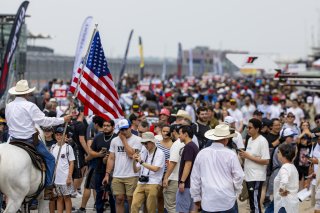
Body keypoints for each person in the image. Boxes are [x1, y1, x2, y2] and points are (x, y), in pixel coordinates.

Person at [5, 80, 72, 199]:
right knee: (50, 159)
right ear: (27, 94)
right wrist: (62, 120)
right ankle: (48, 188)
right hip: (29, 140)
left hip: (12, 140)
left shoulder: (8, 106)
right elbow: (44, 121)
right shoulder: (30, 106)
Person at [191, 124, 244, 212]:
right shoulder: (231, 154)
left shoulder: (202, 153)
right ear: (226, 140)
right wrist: (236, 190)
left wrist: (196, 197)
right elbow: (239, 176)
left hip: (208, 199)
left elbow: (195, 177)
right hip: (227, 198)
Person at [103, 119, 142, 213]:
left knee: (131, 199)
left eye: (125, 129)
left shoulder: (138, 140)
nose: (123, 132)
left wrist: (124, 140)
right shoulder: (114, 141)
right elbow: (111, 158)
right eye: (121, 130)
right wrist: (107, 174)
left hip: (132, 175)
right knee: (119, 199)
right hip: (117, 175)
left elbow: (131, 155)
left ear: (130, 128)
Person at [239, 118, 270, 213]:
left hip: (257, 176)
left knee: (255, 203)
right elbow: (250, 157)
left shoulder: (262, 141)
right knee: (252, 203)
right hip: (249, 176)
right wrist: (244, 155)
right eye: (247, 127)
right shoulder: (250, 140)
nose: (247, 129)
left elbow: (266, 161)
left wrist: (248, 156)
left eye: (250, 127)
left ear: (257, 129)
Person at [131, 132, 165, 213]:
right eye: (143, 143)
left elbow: (155, 169)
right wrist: (134, 160)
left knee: (151, 208)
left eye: (146, 143)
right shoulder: (143, 151)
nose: (144, 145)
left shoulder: (160, 153)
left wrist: (141, 162)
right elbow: (136, 170)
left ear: (152, 142)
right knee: (134, 204)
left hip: (154, 182)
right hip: (141, 182)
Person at [90, 119, 117, 213]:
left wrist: (111, 157)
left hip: (114, 171)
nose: (105, 127)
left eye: (108, 125)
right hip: (99, 169)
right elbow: (91, 151)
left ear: (113, 127)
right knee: (99, 193)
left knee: (113, 194)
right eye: (104, 125)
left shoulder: (116, 138)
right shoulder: (98, 137)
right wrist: (99, 154)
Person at [50, 126, 75, 213]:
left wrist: (69, 177)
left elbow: (71, 163)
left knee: (67, 198)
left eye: (61, 135)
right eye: (57, 135)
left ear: (65, 136)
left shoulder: (68, 147)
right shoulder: (53, 147)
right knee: (59, 198)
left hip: (65, 178)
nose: (59, 136)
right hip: (56, 179)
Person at [176, 126, 199, 213]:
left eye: (180, 133)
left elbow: (188, 165)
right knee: (191, 210)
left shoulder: (189, 147)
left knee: (182, 210)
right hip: (192, 184)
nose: (179, 136)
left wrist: (182, 182)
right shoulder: (193, 146)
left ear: (185, 134)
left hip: (187, 185)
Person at [273, 143, 299, 213]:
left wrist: (281, 190)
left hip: (284, 203)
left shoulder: (285, 167)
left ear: (283, 155)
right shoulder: (293, 167)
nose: (277, 154)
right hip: (292, 201)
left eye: (278, 152)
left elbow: (284, 181)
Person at [156, 124, 173, 213]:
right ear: (161, 132)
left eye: (167, 131)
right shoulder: (157, 143)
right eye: (164, 131)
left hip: (169, 173)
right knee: (159, 196)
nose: (165, 133)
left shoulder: (174, 145)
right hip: (157, 173)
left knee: (168, 197)